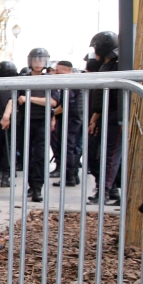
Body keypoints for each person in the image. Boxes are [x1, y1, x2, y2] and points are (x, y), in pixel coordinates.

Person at [0, 48, 57, 203]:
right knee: (26, 155)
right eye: (35, 59)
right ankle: (32, 185)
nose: (38, 62)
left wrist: (29, 98)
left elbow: (53, 101)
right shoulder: (22, 78)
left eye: (41, 59)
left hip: (42, 122)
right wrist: (6, 116)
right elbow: (14, 98)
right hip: (24, 121)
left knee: (40, 155)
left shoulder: (49, 79)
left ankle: (37, 187)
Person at [86, 31, 121, 205]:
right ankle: (111, 189)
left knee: (110, 156)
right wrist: (94, 118)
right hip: (105, 115)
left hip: (116, 116)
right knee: (99, 154)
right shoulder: (105, 65)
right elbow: (100, 97)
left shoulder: (118, 65)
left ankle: (105, 192)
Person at [50, 60, 82, 188]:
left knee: (67, 148)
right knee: (71, 148)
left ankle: (69, 177)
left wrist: (51, 113)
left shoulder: (69, 84)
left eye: (58, 70)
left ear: (65, 70)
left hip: (70, 119)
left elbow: (65, 106)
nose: (56, 73)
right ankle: (73, 176)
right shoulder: (73, 82)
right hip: (74, 119)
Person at [0, 60, 19, 188]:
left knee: (3, 149)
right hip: (4, 120)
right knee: (6, 149)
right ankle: (2, 175)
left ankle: (1, 175)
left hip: (2, 120)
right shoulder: (13, 84)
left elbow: (11, 101)